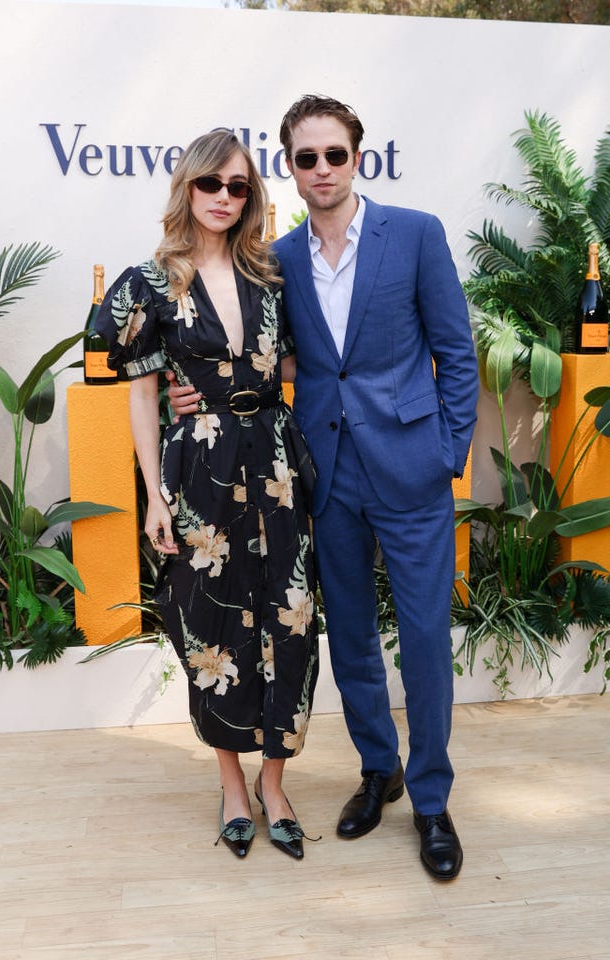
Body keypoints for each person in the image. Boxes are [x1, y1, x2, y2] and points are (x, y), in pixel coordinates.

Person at [168, 97, 479, 880]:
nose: (322, 171)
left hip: (412, 472)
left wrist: (447, 451)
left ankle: (434, 802)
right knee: (351, 641)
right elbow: (281, 360)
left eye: (334, 155)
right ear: (292, 169)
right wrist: (198, 389)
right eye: (305, 159)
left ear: (357, 158)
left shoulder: (414, 234)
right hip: (328, 477)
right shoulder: (278, 258)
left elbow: (456, 350)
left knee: (425, 642)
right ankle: (381, 772)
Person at [96, 129, 319, 862]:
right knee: (210, 626)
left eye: (239, 186)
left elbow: (293, 360)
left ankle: (277, 784)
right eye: (211, 184)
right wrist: (156, 497)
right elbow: (140, 395)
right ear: (186, 187)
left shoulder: (273, 273)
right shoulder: (149, 283)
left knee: (289, 619)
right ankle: (232, 783)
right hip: (200, 472)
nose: (225, 197)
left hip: (276, 466)